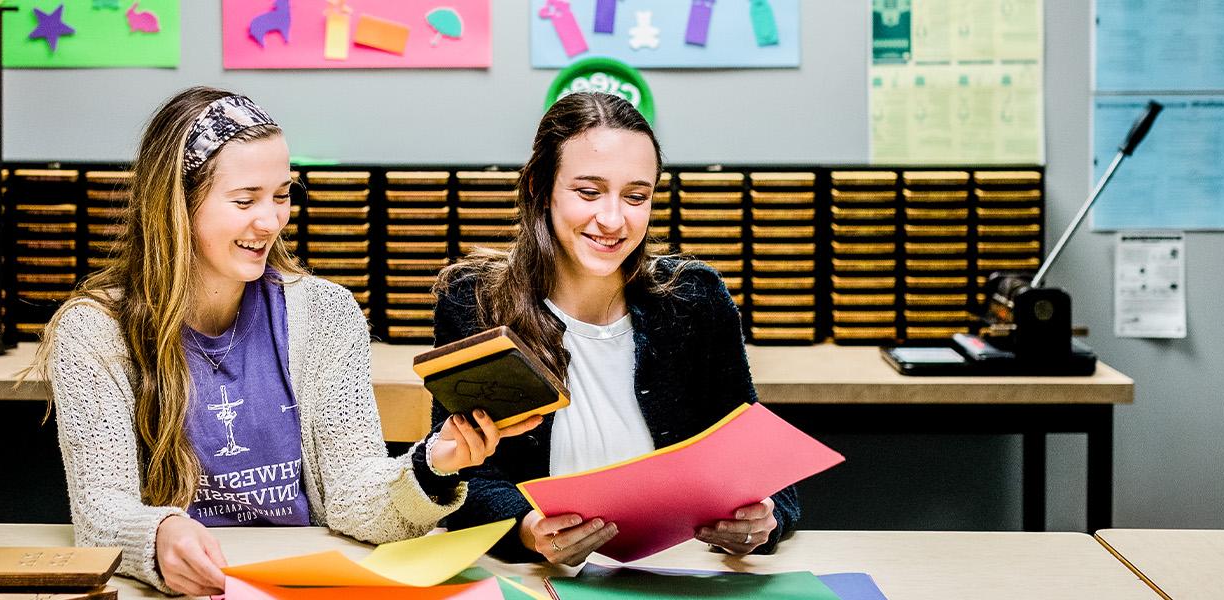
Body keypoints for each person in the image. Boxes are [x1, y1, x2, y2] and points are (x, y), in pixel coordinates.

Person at [39, 87, 539, 596]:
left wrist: (433, 466)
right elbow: (101, 511)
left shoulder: (326, 314)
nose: (271, 220)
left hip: (304, 582)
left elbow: (356, 498)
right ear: (175, 206)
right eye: (244, 200)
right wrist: (159, 535)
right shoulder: (94, 332)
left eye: (281, 195)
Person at [416, 92, 800, 565]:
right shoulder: (474, 301)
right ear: (540, 186)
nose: (613, 219)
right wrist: (529, 529)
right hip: (543, 584)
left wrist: (765, 520)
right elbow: (462, 478)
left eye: (636, 196)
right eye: (588, 192)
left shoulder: (695, 299)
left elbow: (765, 469)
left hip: (677, 581)